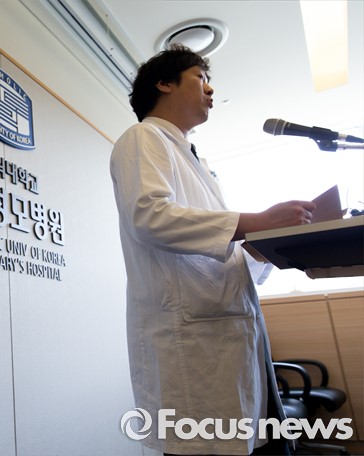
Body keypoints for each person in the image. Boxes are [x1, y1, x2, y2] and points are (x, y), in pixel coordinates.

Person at [110, 44, 315, 456]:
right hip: (188, 344)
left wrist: (260, 250)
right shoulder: (143, 137)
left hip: (229, 338)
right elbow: (150, 217)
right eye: (200, 78)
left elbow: (212, 255)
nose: (210, 89)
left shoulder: (198, 165)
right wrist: (257, 220)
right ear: (164, 83)